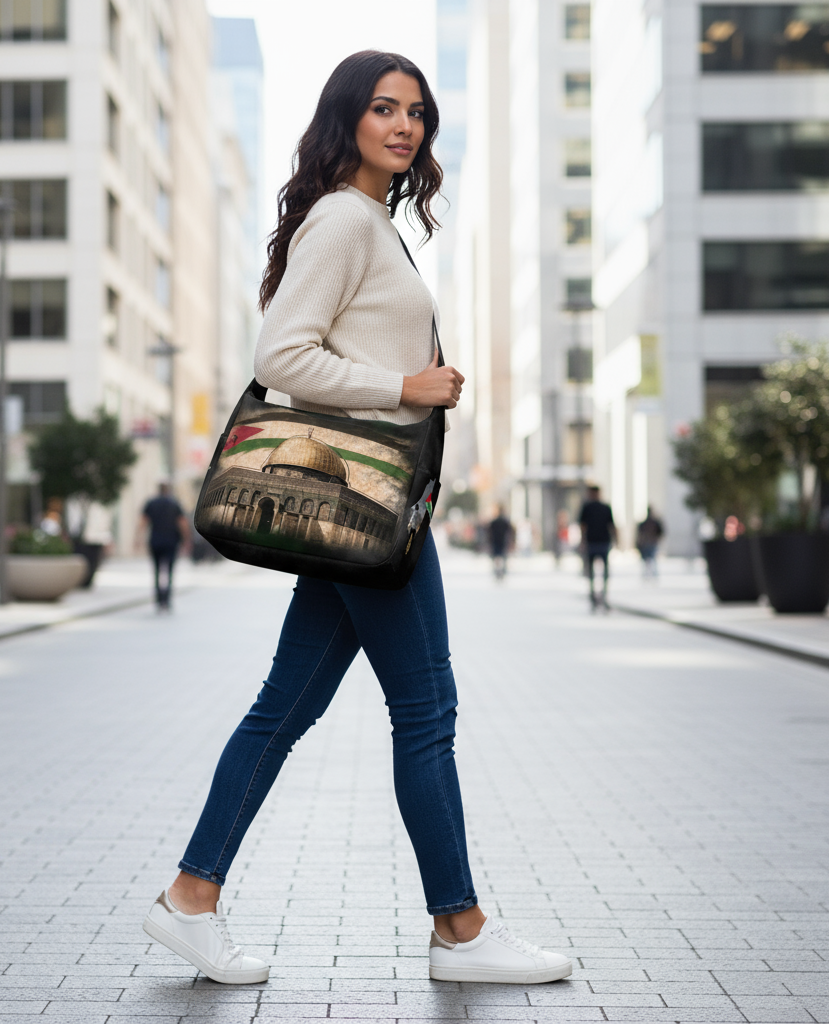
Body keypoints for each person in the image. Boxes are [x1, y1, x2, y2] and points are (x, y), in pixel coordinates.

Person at [141, 51, 573, 988]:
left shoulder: (368, 220)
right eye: (384, 108)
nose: (405, 126)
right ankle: (460, 931)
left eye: (416, 112)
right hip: (364, 505)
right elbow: (282, 353)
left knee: (283, 709)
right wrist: (404, 385)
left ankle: (190, 898)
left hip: (367, 509)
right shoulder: (344, 219)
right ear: (349, 118)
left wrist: (414, 385)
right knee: (426, 713)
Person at [138, 482, 189, 609]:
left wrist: (137, 539)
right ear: (168, 490)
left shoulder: (151, 503)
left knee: (156, 570)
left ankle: (158, 599)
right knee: (170, 571)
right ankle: (167, 599)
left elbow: (143, 522)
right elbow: (182, 523)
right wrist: (187, 540)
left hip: (155, 541)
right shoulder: (174, 503)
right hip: (171, 542)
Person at [578, 484, 616, 610]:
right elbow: (583, 526)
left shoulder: (603, 507)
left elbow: (611, 525)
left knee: (601, 572)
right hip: (594, 542)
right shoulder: (588, 507)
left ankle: (602, 595)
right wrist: (583, 541)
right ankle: (595, 595)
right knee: (594, 572)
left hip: (600, 542)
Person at [635, 506, 664, 578]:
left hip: (649, 543)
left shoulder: (647, 523)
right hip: (650, 543)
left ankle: (651, 574)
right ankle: (651, 574)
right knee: (651, 559)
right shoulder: (653, 522)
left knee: (650, 560)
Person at [487, 505, 513, 579]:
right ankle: (502, 570)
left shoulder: (494, 522)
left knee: (497, 557)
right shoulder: (505, 522)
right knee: (502, 556)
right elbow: (510, 532)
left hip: (496, 541)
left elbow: (489, 533)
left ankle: (497, 570)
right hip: (502, 541)